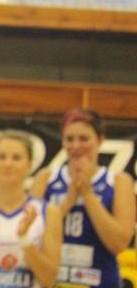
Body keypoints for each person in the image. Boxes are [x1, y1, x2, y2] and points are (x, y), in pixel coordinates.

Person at [31, 108, 136, 288]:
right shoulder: (46, 178)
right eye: (69, 139)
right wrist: (68, 202)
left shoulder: (118, 181)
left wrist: (87, 194)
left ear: (100, 140)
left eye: (84, 138)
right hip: (55, 279)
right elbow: (30, 234)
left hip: (101, 280)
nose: (76, 145)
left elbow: (119, 243)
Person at [0, 131, 62, 287]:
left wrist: (25, 239)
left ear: (29, 164)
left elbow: (49, 279)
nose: (8, 163)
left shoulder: (48, 212)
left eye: (16, 158)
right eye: (1, 157)